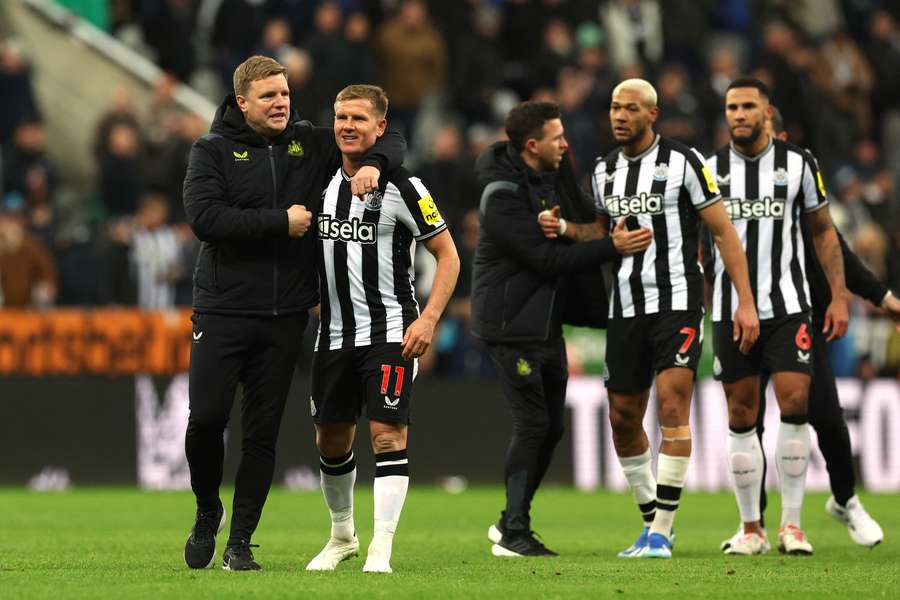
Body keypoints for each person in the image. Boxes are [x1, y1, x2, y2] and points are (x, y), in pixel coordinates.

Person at [181, 55, 405, 571]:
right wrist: (280, 222)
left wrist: (376, 165)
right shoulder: (211, 150)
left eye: (284, 94)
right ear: (242, 102)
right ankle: (206, 509)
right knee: (206, 420)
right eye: (268, 97)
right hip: (223, 310)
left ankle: (239, 542)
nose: (281, 103)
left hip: (284, 318)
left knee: (262, 433)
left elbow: (386, 137)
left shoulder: (310, 144)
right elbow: (206, 219)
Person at [541, 79, 759, 559]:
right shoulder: (603, 171)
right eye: (615, 107)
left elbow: (722, 231)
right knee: (622, 417)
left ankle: (662, 529)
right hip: (624, 307)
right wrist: (563, 228)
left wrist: (745, 300)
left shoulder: (684, 162)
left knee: (672, 406)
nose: (619, 115)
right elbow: (599, 233)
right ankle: (651, 524)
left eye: (630, 108)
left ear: (652, 114)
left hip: (677, 301)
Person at [473, 100, 654, 557]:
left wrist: (574, 227)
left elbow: (581, 225)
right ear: (532, 145)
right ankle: (514, 531)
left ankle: (510, 522)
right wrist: (612, 248)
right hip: (510, 325)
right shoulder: (501, 196)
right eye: (557, 138)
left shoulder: (551, 180)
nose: (566, 144)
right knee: (533, 423)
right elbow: (545, 259)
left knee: (551, 427)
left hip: (546, 325)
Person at [719, 106, 897, 552]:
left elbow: (839, 252)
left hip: (798, 314)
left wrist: (879, 297)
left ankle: (845, 501)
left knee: (826, 417)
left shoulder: (799, 187)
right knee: (748, 420)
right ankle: (751, 526)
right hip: (741, 316)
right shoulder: (730, 185)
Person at [303, 84, 460, 574]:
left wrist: (429, 318)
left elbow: (449, 256)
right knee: (330, 439)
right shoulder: (320, 180)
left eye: (358, 118)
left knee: (388, 435)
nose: (347, 126)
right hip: (332, 336)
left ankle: (381, 548)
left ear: (380, 129)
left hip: (391, 332)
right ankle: (342, 535)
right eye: (340, 117)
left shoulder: (405, 188)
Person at [705, 78, 850, 556]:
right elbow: (695, 242)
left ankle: (792, 525)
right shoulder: (709, 170)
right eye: (732, 107)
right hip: (730, 311)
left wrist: (839, 296)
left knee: (795, 402)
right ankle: (751, 528)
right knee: (742, 414)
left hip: (788, 307)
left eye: (749, 106)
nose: (739, 114)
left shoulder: (799, 164)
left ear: (768, 112)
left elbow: (825, 233)